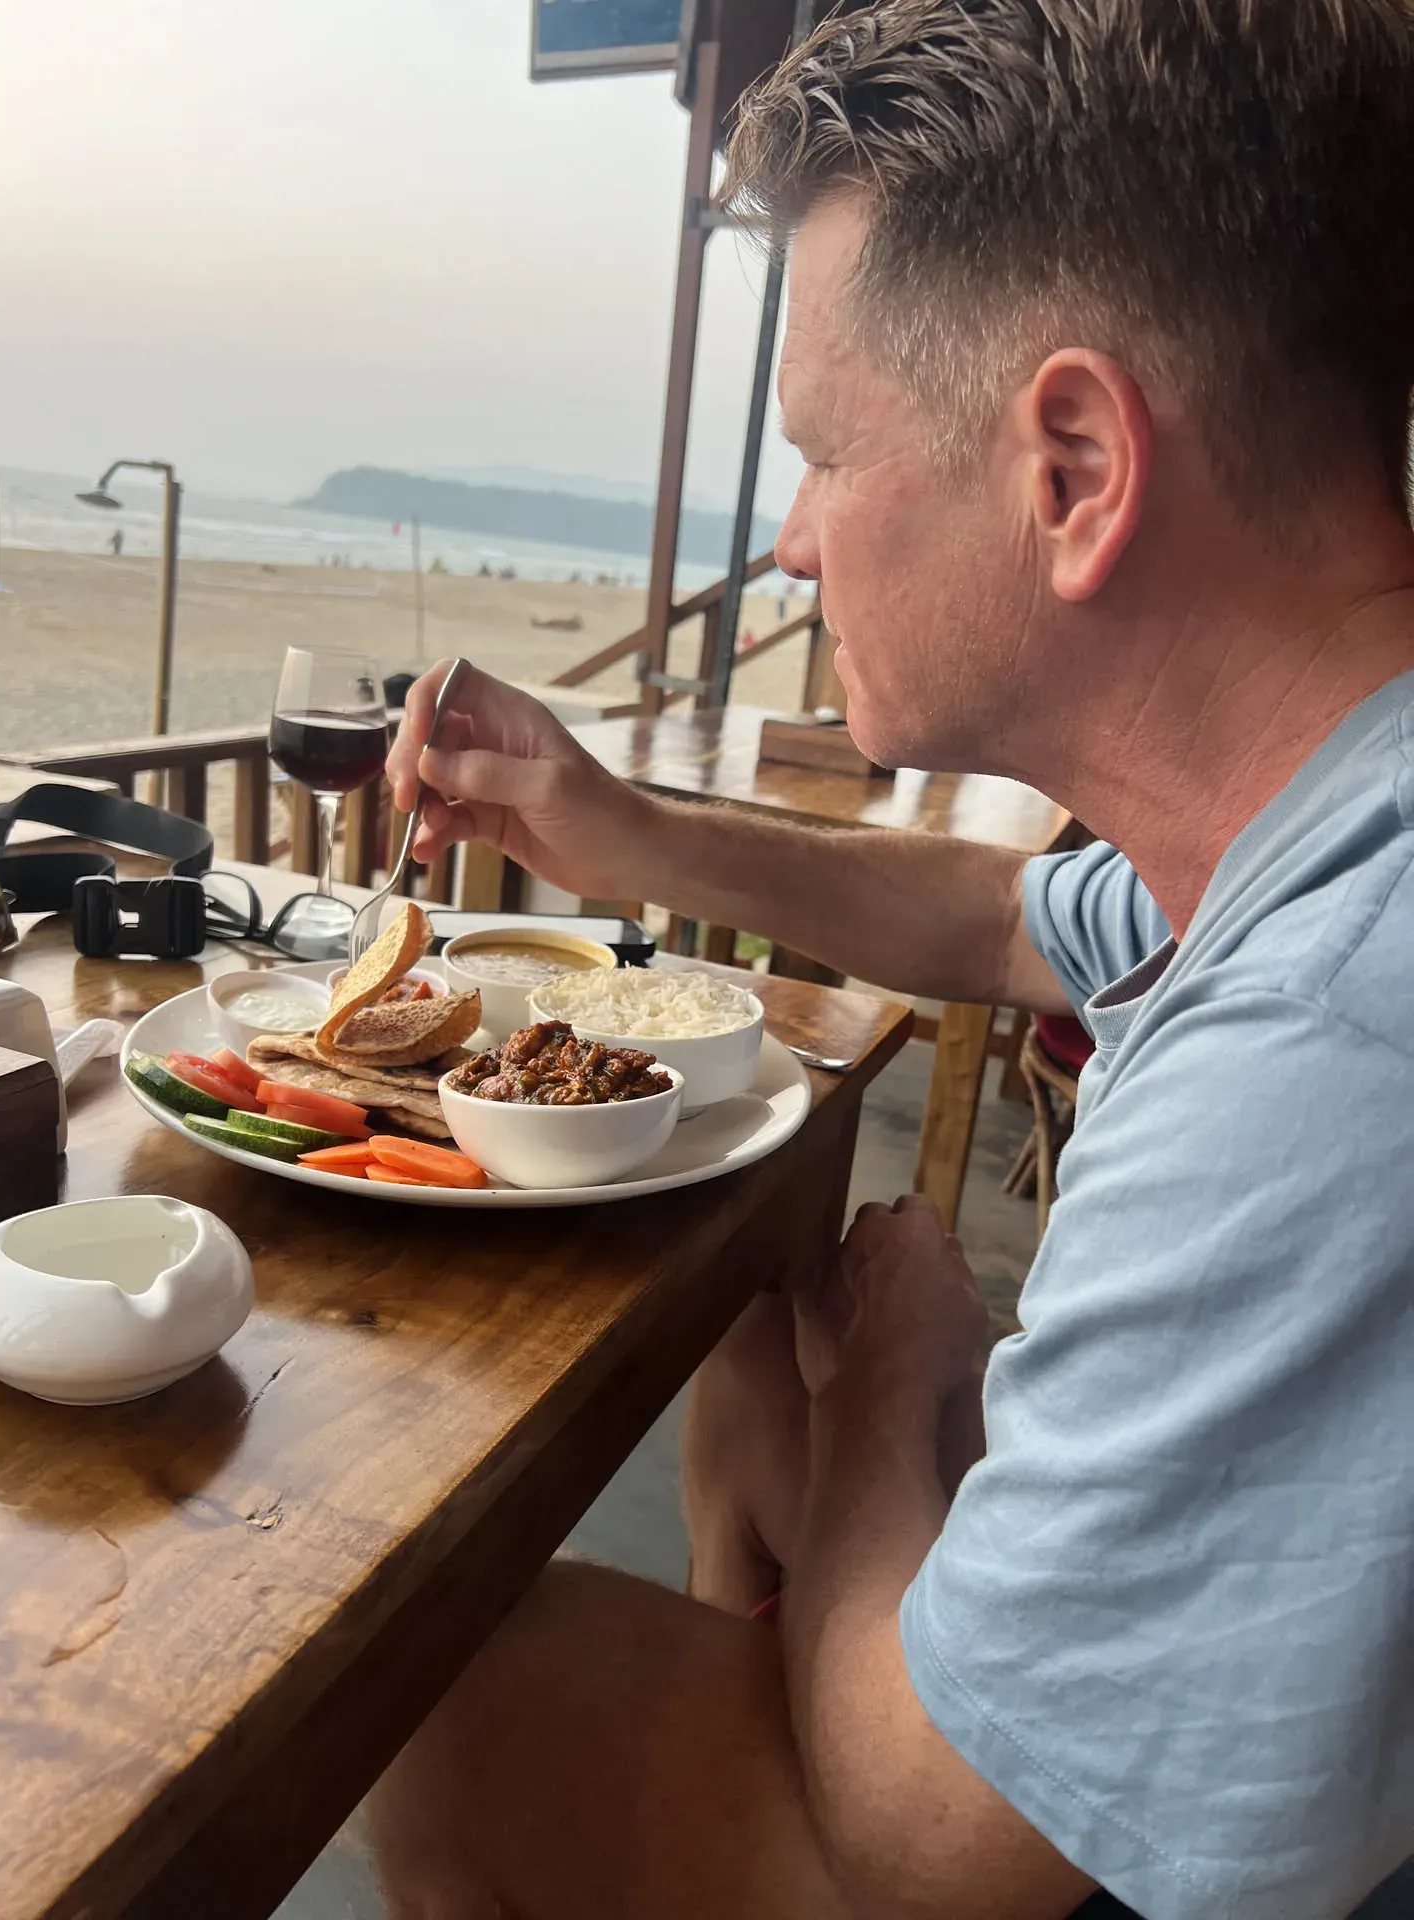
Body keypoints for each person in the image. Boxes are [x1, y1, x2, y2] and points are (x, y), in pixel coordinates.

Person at [376, 3, 1414, 1916]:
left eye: (828, 452)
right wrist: (620, 826)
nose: (788, 548)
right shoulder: (1313, 816)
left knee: (455, 1700)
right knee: (754, 1372)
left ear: (1077, 469)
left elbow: (946, 1848)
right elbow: (1006, 919)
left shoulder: (1335, 1024)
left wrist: (903, 1381)